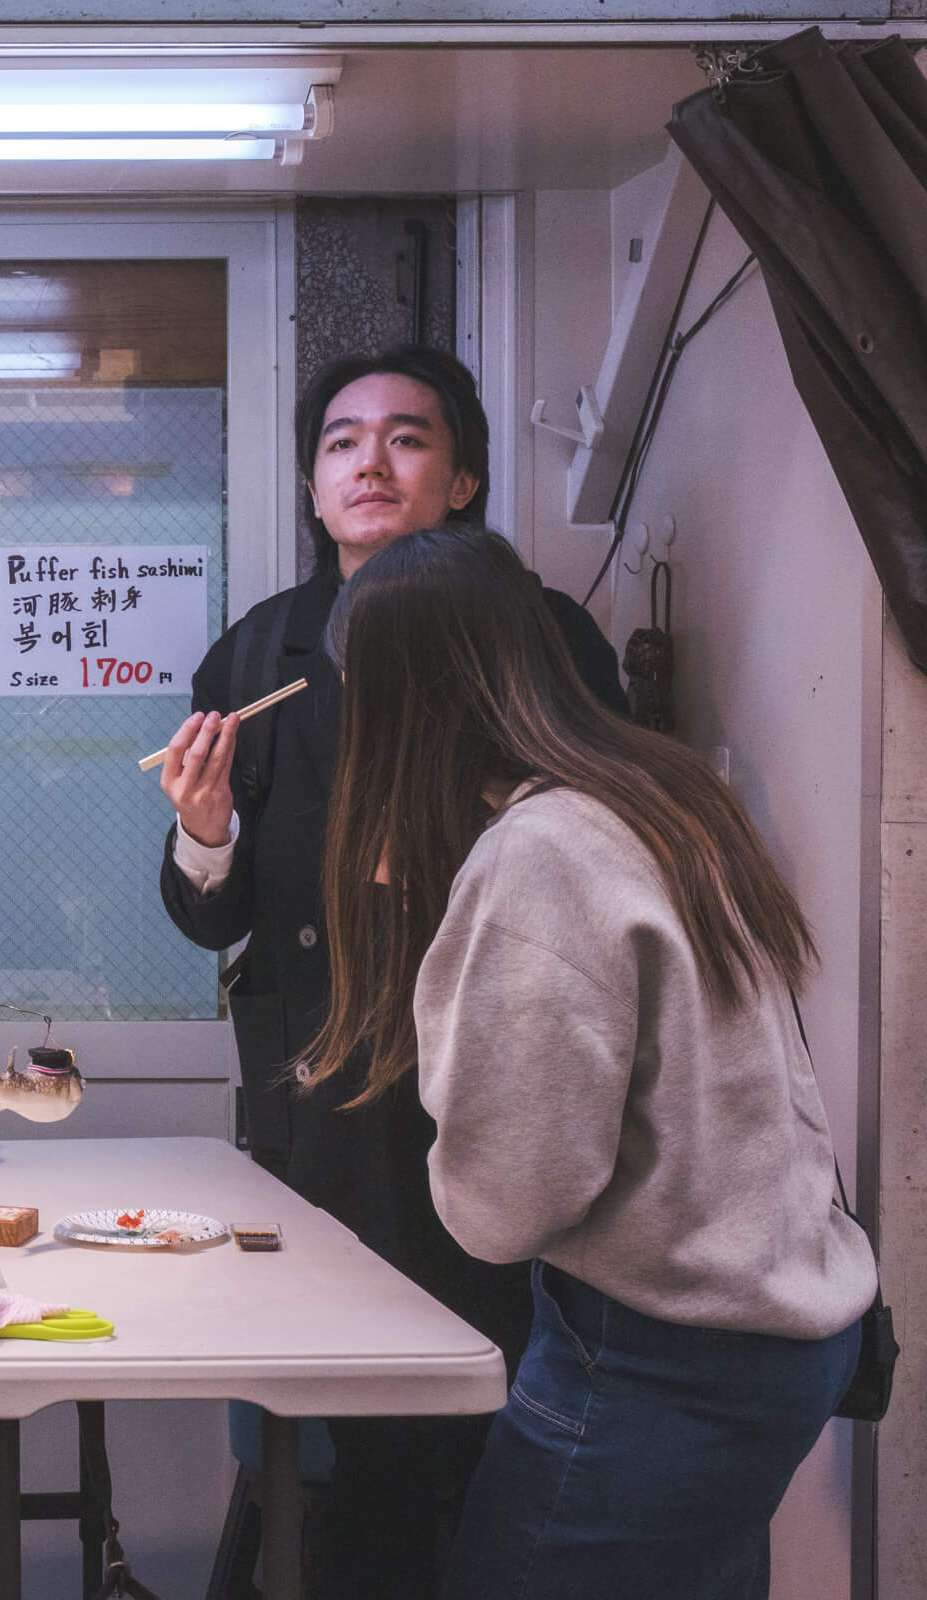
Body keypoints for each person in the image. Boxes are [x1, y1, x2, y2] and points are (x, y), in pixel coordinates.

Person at [305, 526, 874, 1597]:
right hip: (787, 1327)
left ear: (405, 704)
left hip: (662, 1361)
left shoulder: (537, 855)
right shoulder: (660, 793)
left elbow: (501, 1206)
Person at [153, 345, 627, 1596]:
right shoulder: (260, 657)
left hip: (503, 1096)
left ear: (462, 479)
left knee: (498, 1421)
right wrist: (206, 836)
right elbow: (212, 922)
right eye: (342, 442)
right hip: (323, 1113)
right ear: (313, 490)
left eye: (408, 439)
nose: (371, 462)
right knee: (342, 1444)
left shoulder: (546, 642)